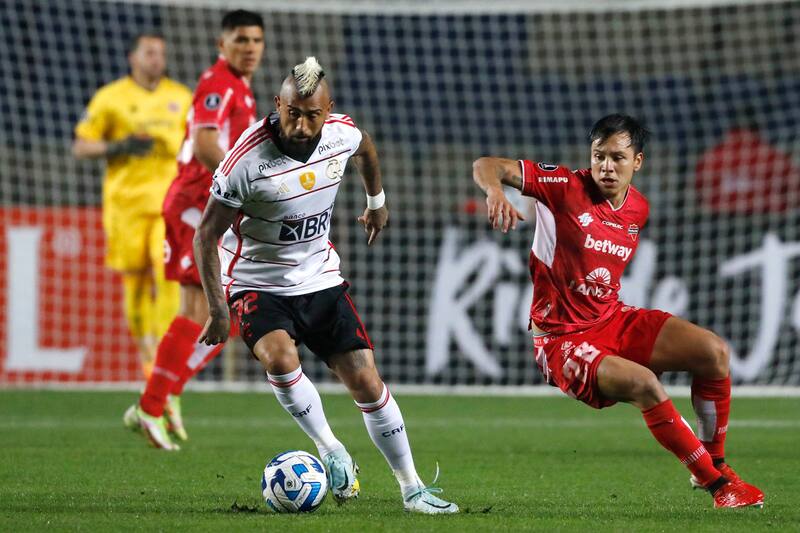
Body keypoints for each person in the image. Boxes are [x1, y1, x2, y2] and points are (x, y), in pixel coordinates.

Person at [193, 57, 458, 514]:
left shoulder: (340, 133)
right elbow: (205, 235)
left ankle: (412, 489)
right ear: (278, 104)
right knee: (279, 357)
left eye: (312, 114)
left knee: (367, 382)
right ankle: (331, 448)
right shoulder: (245, 160)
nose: (300, 124)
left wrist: (377, 202)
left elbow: (366, 149)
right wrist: (218, 310)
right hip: (258, 282)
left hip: (320, 278)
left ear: (328, 110)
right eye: (292, 112)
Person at [472, 114, 764, 509]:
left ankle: (712, 463)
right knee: (645, 384)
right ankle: (719, 488)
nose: (607, 167)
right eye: (599, 156)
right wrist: (494, 191)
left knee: (713, 353)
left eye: (618, 158)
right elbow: (487, 164)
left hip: (612, 319)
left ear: (637, 162)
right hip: (561, 340)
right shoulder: (562, 185)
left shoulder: (638, 209)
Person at [123, 10, 265, 449]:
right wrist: (245, 189)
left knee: (223, 318)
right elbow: (205, 144)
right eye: (240, 39)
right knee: (198, 310)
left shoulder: (240, 88)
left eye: (257, 40)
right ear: (221, 45)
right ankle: (149, 406)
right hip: (194, 208)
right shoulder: (218, 84)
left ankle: (165, 395)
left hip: (213, 208)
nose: (250, 47)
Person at [73, 32, 192, 379]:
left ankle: (163, 356)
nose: (157, 59)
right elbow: (81, 146)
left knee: (167, 273)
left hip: (169, 205)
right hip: (125, 205)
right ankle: (147, 355)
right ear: (133, 57)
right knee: (136, 284)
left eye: (161, 53)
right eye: (150, 53)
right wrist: (120, 146)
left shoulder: (182, 97)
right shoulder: (110, 98)